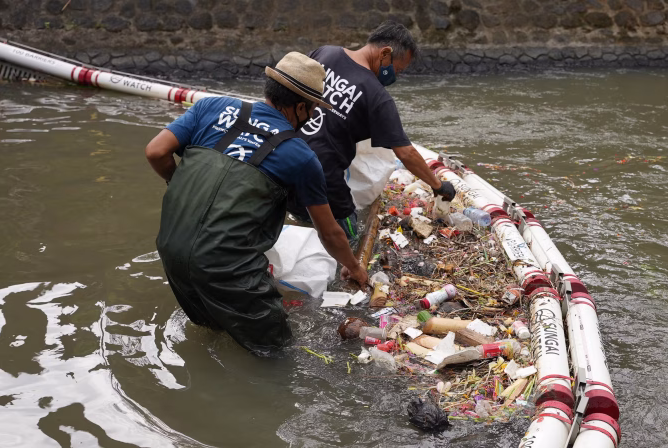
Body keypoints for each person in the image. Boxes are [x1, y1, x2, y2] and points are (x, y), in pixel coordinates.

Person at [145, 52, 368, 355]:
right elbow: (329, 233)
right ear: (301, 107)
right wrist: (354, 267)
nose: (312, 117)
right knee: (276, 353)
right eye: (313, 110)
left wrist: (178, 182)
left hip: (171, 247)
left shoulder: (210, 107)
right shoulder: (300, 156)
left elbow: (156, 151)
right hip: (227, 266)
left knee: (213, 331)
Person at [288, 21, 456, 240]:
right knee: (350, 235)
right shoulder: (377, 96)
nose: (395, 77)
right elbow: (405, 153)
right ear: (385, 54)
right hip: (324, 181)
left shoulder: (324, 54)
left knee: (298, 218)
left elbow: (287, 90)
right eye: (397, 70)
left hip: (283, 163)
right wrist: (438, 184)